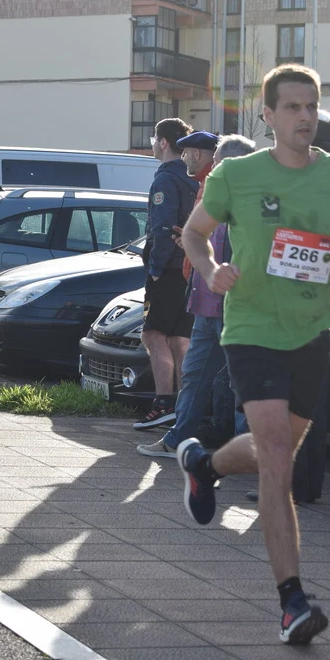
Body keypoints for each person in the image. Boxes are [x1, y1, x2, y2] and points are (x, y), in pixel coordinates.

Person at [177, 64, 330, 645]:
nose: (304, 117)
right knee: (276, 457)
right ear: (267, 115)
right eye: (292, 107)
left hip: (313, 330)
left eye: (311, 107)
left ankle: (204, 466)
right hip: (251, 327)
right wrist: (210, 270)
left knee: (278, 449)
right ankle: (292, 601)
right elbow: (193, 233)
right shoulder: (237, 174)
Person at [137, 133, 256, 459]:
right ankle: (177, 439)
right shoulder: (214, 194)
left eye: (216, 161)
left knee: (241, 381)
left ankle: (248, 452)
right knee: (194, 375)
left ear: (231, 163)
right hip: (205, 305)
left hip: (234, 307)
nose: (212, 166)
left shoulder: (252, 202)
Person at [133, 117, 198, 430]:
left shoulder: (166, 178)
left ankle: (163, 404)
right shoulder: (194, 177)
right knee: (179, 339)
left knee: (153, 335)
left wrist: (156, 269)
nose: (152, 144)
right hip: (189, 268)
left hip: (168, 268)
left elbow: (162, 227)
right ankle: (184, 408)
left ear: (162, 142)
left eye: (153, 139)